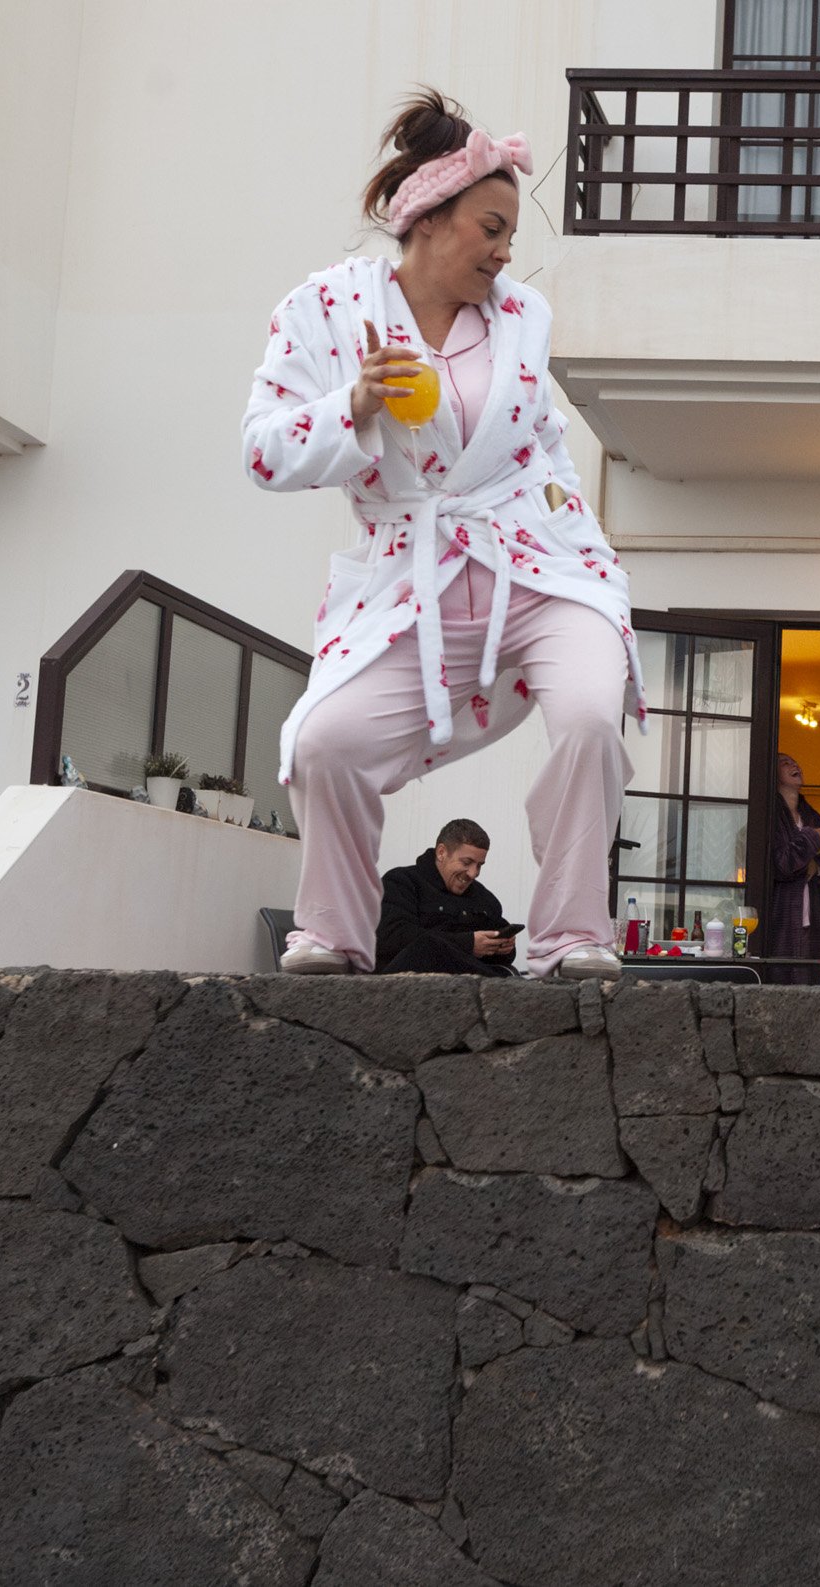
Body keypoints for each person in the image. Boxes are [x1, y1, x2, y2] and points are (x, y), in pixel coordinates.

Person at [243, 90, 642, 981]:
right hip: (411, 577)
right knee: (324, 746)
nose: (505, 254)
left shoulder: (521, 323)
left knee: (587, 715)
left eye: (510, 238)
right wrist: (352, 407)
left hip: (540, 562)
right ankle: (335, 933)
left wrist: (595, 558)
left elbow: (545, 446)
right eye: (491, 229)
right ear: (427, 218)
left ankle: (575, 931)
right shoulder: (324, 311)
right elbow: (262, 453)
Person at [376, 818, 517, 976]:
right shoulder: (401, 882)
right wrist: (468, 944)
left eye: (479, 865)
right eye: (467, 862)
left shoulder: (485, 899)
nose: (473, 873)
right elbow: (391, 938)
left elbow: (501, 948)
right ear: (441, 852)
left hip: (468, 983)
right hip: (404, 984)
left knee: (506, 972)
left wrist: (503, 946)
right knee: (428, 945)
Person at [761, 752, 820, 983]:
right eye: (786, 763)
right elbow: (782, 864)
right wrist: (810, 838)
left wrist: (815, 866)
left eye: (795, 761)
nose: (794, 765)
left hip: (815, 918)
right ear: (774, 774)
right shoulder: (771, 814)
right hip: (782, 916)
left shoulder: (812, 815)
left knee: (813, 984)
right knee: (781, 982)